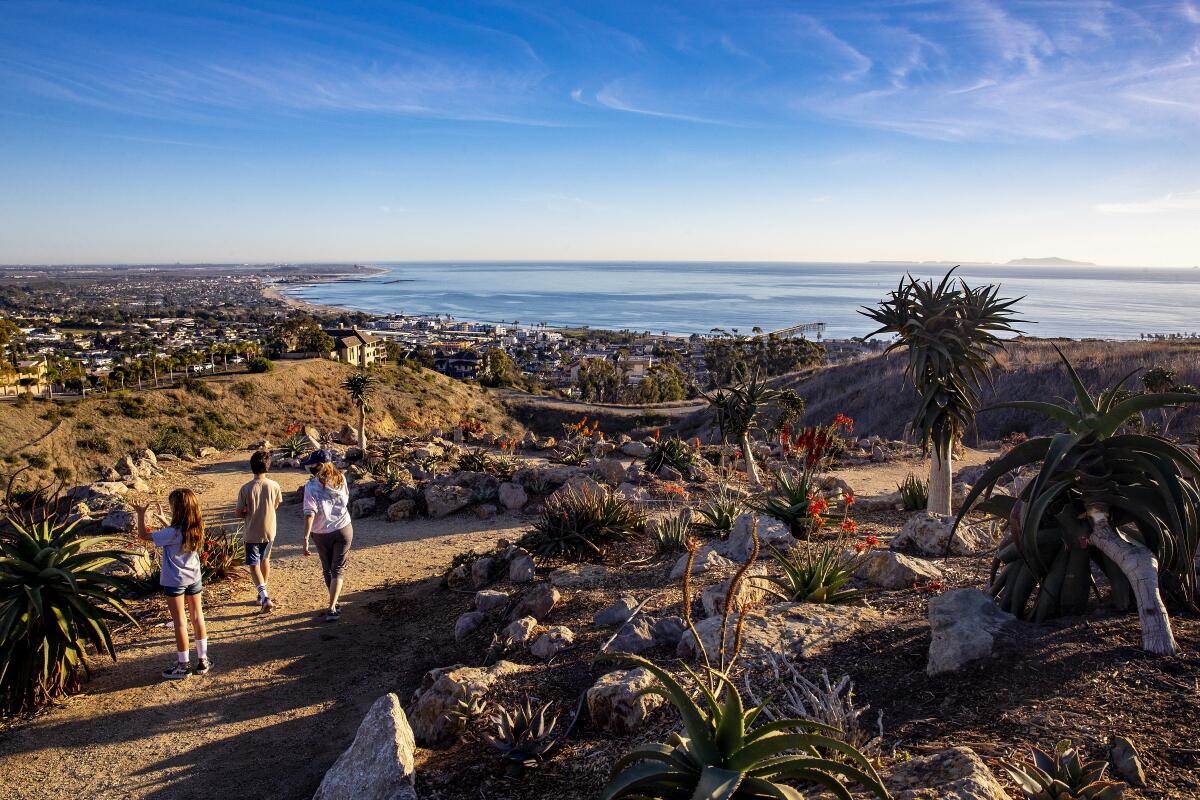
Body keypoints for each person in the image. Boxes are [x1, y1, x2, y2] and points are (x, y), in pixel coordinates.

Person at [133, 489, 210, 679]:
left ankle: (183, 665)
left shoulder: (171, 533)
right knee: (197, 617)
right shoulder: (196, 527)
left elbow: (144, 536)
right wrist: (163, 520)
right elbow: (177, 536)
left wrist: (141, 514)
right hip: (194, 578)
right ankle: (203, 660)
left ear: (177, 509)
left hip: (175, 581)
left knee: (180, 622)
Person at [299, 449, 353, 622]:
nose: (309, 468)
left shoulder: (311, 487)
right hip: (343, 527)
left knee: (328, 568)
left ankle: (333, 604)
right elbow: (345, 500)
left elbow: (309, 513)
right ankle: (333, 606)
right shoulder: (341, 479)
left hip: (321, 532)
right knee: (338, 568)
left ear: (320, 465)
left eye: (312, 465)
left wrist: (306, 537)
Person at [237, 450, 283, 612]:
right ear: (268, 466)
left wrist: (245, 512)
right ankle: (262, 592)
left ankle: (264, 596)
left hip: (251, 531)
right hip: (270, 530)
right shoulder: (274, 485)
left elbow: (239, 513)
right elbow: (277, 504)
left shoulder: (246, 488)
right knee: (265, 560)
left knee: (253, 564)